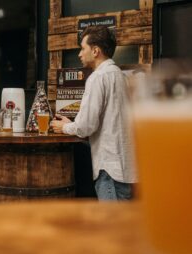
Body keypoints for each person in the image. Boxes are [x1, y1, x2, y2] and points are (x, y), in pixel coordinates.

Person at [50, 26, 135, 201]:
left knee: (111, 226)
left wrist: (64, 126)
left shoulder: (98, 77)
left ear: (95, 50)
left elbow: (86, 126)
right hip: (126, 169)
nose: (80, 54)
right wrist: (72, 123)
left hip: (109, 169)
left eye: (83, 48)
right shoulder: (121, 76)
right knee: (123, 226)